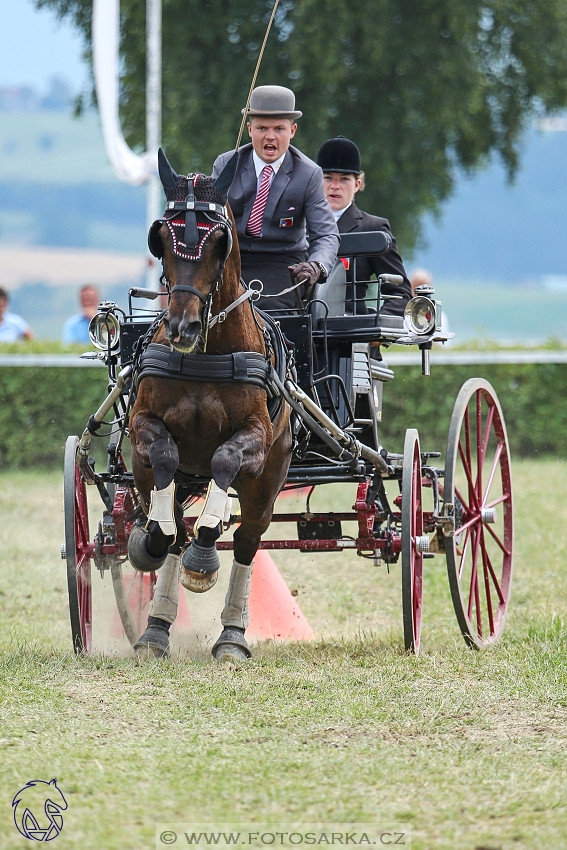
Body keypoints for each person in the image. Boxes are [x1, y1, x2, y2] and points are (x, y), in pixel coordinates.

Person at [212, 85, 339, 311]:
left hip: (283, 264)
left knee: (268, 314)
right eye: (262, 128)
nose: (270, 136)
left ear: (293, 131)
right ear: (249, 129)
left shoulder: (308, 174)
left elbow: (326, 234)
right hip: (229, 260)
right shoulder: (226, 164)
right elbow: (209, 219)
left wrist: (316, 266)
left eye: (279, 128)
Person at [316, 136, 411, 317]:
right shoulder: (299, 225)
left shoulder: (372, 228)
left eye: (344, 179)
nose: (335, 186)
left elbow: (400, 293)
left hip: (349, 335)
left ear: (357, 184)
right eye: (328, 178)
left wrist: (375, 328)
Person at [410, 267, 451, 340]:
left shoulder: (439, 315)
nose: (421, 292)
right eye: (416, 287)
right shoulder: (406, 313)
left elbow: (443, 344)